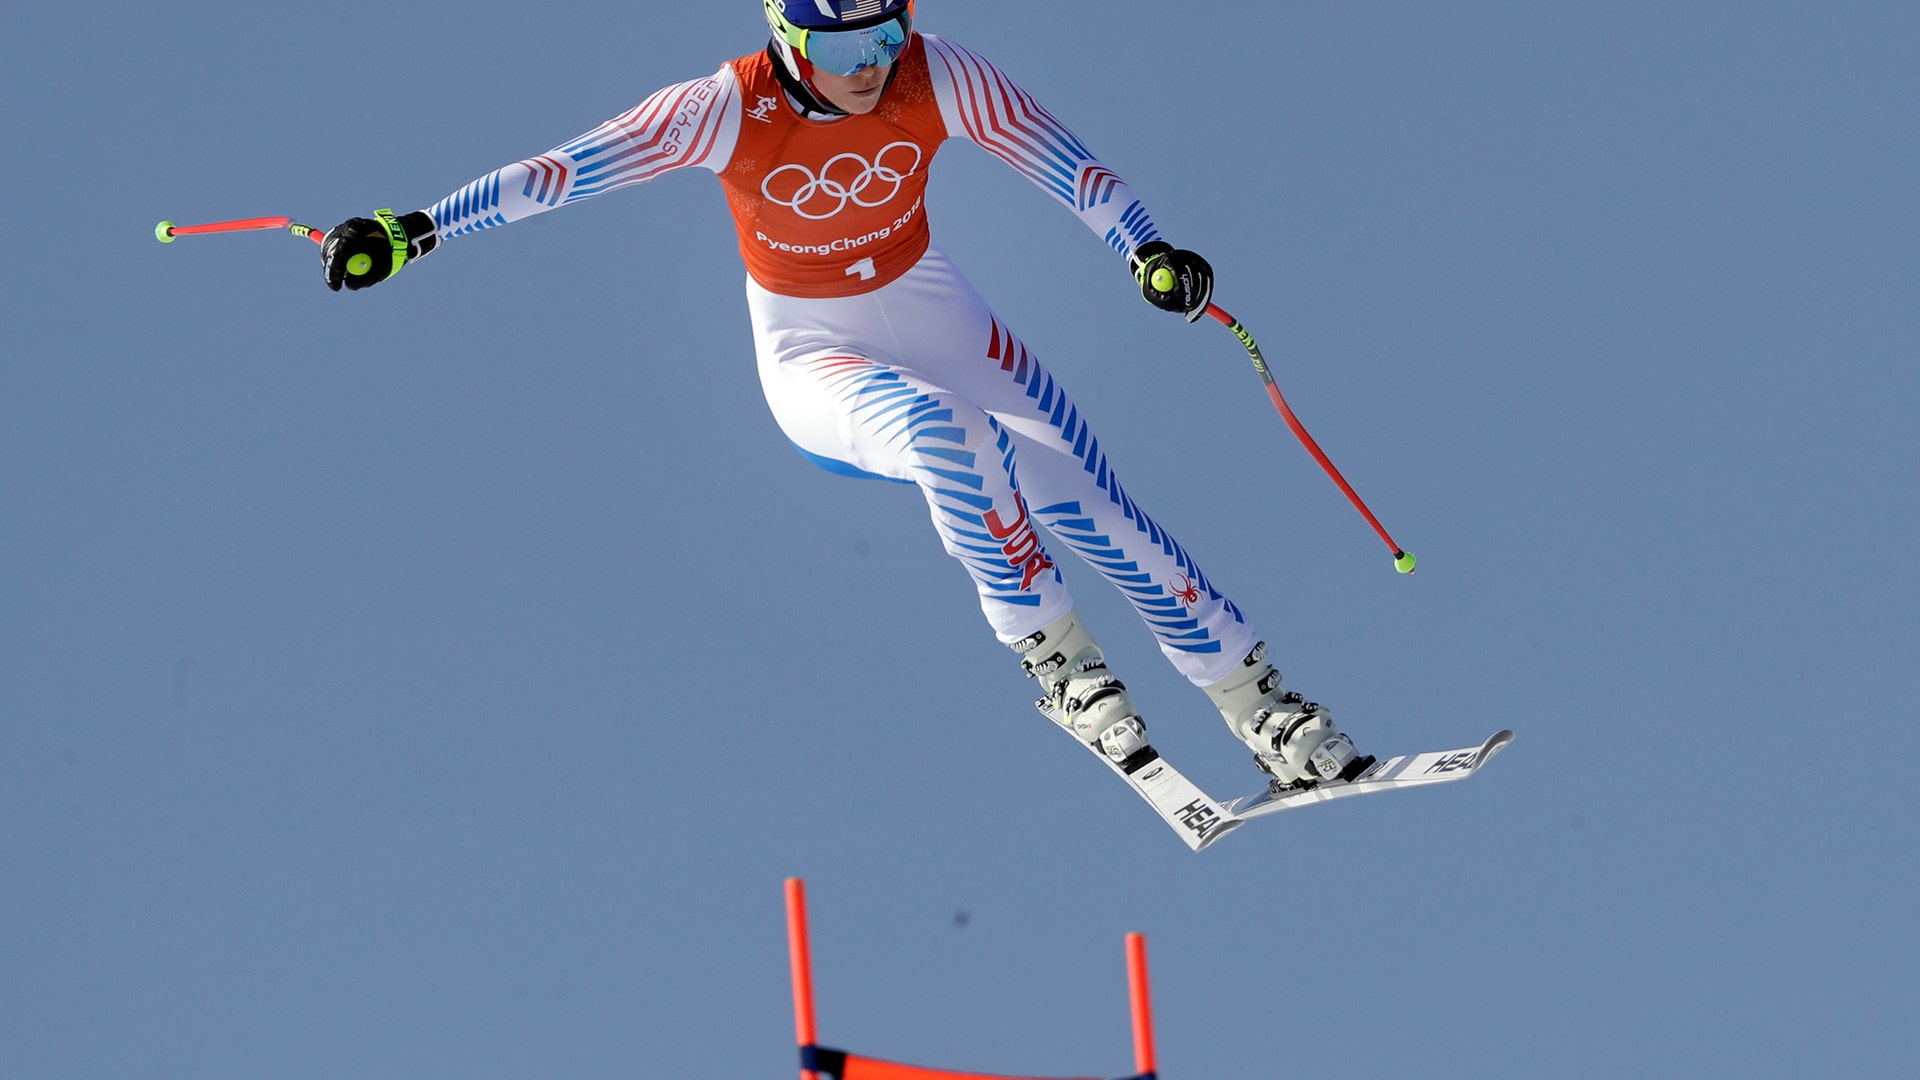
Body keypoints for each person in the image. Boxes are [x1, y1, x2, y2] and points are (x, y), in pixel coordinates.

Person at [318, 0, 1372, 791]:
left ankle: (1258, 702)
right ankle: (1059, 660)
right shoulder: (723, 108)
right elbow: (563, 172)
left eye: (885, 38)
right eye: (840, 50)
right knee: (943, 434)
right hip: (813, 349)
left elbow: (1071, 168)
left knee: (1089, 505)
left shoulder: (938, 74)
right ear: (784, 38)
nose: (870, 70)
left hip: (931, 309)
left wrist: (1147, 251)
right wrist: (414, 231)